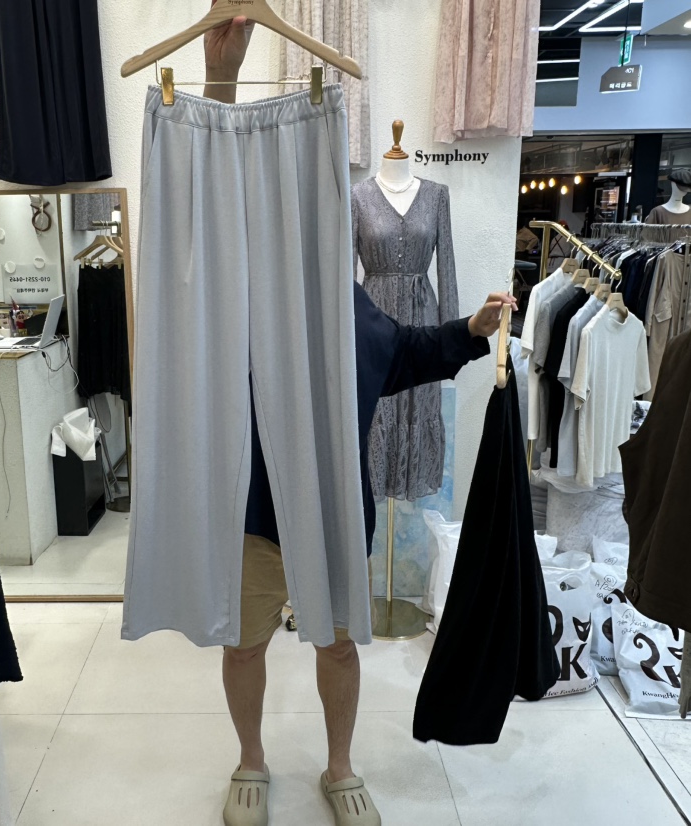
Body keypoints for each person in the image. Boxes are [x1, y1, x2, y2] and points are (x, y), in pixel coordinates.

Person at [201, 11, 517, 826]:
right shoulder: (241, 297)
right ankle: (250, 759)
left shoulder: (350, 309)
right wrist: (221, 82)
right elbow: (210, 204)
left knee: (338, 643)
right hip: (255, 512)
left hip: (340, 507)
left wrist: (470, 330)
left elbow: (407, 351)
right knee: (245, 642)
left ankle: (339, 766)